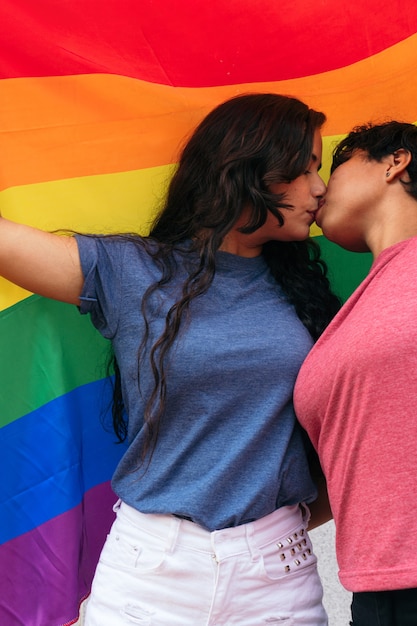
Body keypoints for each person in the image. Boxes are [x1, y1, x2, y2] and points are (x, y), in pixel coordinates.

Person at [0, 93, 340, 625]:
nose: (320, 188)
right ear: (247, 168)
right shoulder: (131, 270)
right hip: (149, 570)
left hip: (278, 576)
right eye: (306, 167)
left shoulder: (310, 294)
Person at [294, 120, 417, 626]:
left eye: (335, 165)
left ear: (395, 161)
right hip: (374, 591)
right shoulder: (362, 306)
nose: (319, 187)